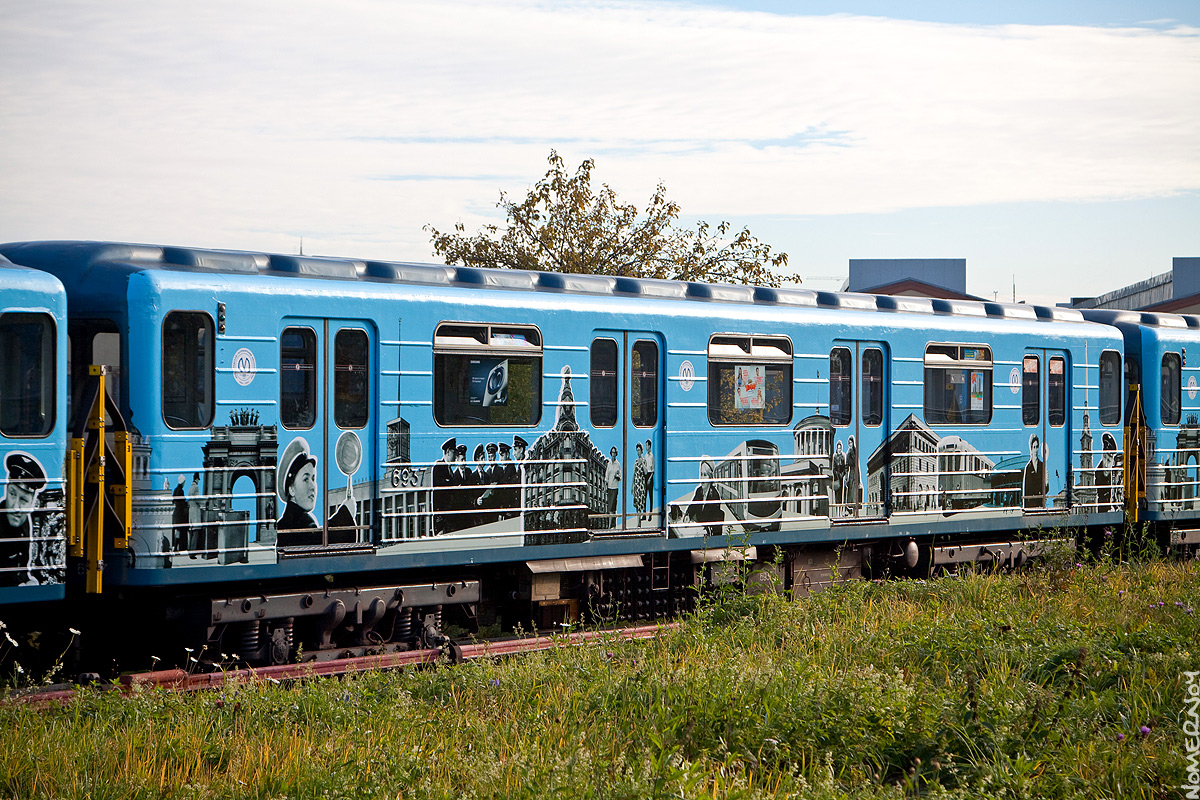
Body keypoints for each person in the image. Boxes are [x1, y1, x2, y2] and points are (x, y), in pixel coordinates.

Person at [0, 452, 47, 586]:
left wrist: (27, 580)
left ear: (32, 502)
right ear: (6, 490)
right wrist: (19, 584)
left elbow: (21, 566)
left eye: (24, 500)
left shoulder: (24, 521)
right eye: (12, 494)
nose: (16, 507)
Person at [277, 438, 320, 545]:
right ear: (291, 489)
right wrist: (345, 513)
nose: (313, 486)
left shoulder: (281, 524)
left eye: (313, 479)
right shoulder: (305, 523)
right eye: (305, 479)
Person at [687, 459, 723, 537]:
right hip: (697, 531)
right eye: (701, 474)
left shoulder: (714, 496)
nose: (702, 478)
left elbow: (713, 524)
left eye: (705, 475)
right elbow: (692, 507)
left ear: (710, 477)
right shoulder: (699, 490)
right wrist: (688, 515)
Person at [432, 437, 458, 534]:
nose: (455, 456)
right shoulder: (439, 467)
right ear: (447, 452)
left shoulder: (450, 471)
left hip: (449, 518)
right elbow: (438, 493)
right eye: (454, 453)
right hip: (442, 518)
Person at [1022, 433, 1047, 510]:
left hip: (1040, 505)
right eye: (1034, 447)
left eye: (1037, 447)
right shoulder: (1028, 468)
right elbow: (1026, 490)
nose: (1036, 450)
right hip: (1031, 506)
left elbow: (1046, 489)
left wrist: (1046, 483)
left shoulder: (1042, 466)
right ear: (1031, 449)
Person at [187, 472, 206, 558]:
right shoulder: (196, 487)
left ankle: (190, 550)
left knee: (191, 534)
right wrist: (205, 502)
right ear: (197, 479)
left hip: (191, 513)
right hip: (195, 513)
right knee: (195, 534)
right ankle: (192, 553)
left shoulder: (190, 488)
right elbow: (197, 499)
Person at [604, 446, 621, 529]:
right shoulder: (609, 464)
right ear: (611, 453)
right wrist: (605, 486)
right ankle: (613, 525)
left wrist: (617, 476)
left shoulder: (618, 464)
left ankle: (610, 525)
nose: (613, 454)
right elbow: (606, 476)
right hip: (609, 487)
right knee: (610, 507)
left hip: (615, 487)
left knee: (613, 507)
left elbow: (620, 477)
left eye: (615, 453)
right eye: (612, 452)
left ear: (616, 454)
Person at [632, 442, 647, 523]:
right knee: (637, 503)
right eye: (637, 450)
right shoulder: (636, 461)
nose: (638, 452)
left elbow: (646, 472)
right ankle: (638, 522)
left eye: (639, 450)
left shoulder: (644, 460)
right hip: (636, 484)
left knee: (641, 502)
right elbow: (634, 474)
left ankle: (639, 521)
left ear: (642, 451)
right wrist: (632, 486)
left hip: (642, 484)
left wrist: (642, 464)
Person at [643, 439, 655, 524]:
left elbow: (653, 469)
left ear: (650, 446)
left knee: (650, 496)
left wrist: (650, 479)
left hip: (650, 475)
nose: (646, 447)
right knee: (644, 496)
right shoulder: (645, 456)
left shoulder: (651, 456)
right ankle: (644, 514)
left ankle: (650, 514)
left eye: (647, 445)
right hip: (646, 475)